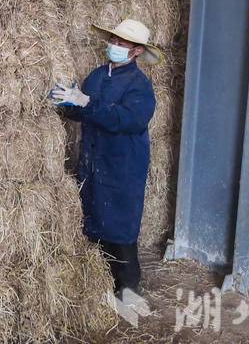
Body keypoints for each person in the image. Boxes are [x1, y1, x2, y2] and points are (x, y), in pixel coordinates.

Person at [50, 18, 161, 299]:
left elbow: (128, 120)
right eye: (113, 40)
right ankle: (100, 286)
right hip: (92, 160)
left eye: (122, 43)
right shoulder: (97, 76)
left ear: (137, 51)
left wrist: (87, 102)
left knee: (120, 228)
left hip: (121, 164)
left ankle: (128, 289)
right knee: (93, 222)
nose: (114, 45)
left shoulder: (139, 86)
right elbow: (84, 111)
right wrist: (67, 103)